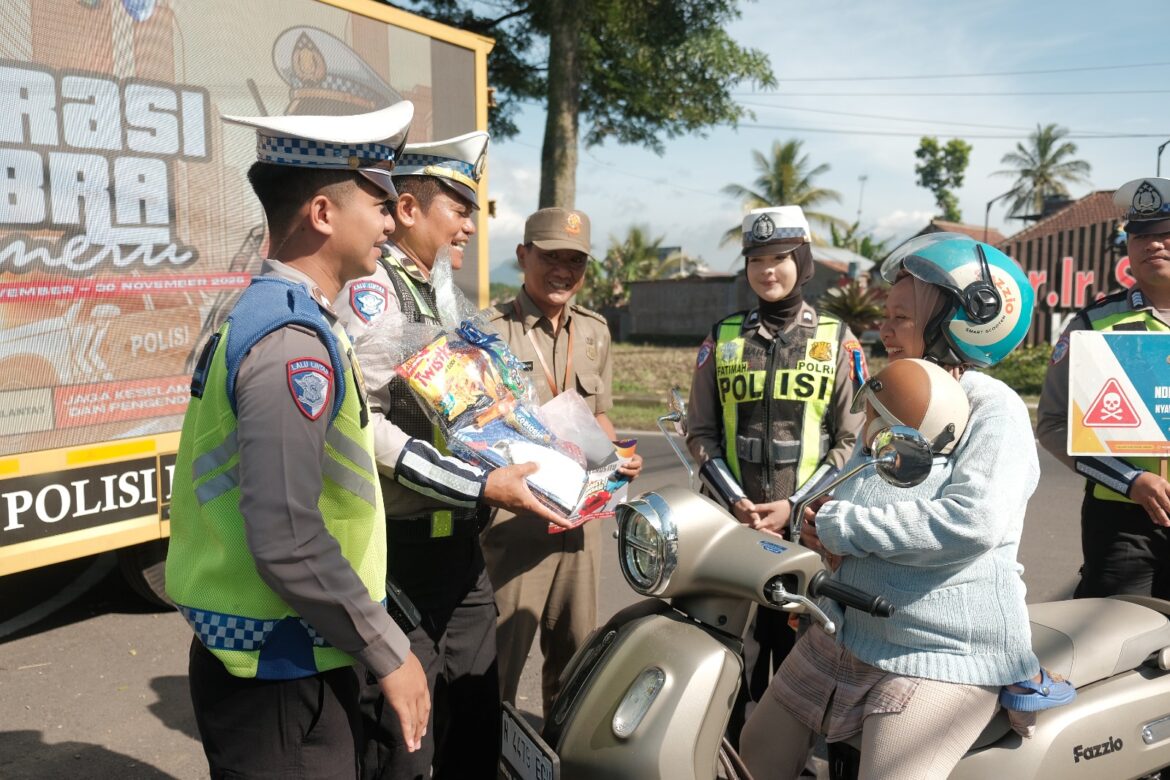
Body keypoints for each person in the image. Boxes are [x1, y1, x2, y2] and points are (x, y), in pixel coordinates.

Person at [740, 233, 1074, 779]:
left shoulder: (996, 409)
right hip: (852, 630)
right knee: (754, 755)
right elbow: (858, 486)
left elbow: (972, 522)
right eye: (885, 316)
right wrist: (820, 521)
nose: (884, 329)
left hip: (944, 650)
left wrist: (842, 527)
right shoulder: (899, 389)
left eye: (901, 317)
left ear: (965, 319)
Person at [164, 102, 430, 779]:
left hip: (287, 653)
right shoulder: (291, 344)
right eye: (378, 200)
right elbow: (285, 534)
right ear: (321, 213)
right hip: (280, 674)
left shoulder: (282, 317)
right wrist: (390, 652)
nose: (390, 220)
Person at [335, 132, 566, 780]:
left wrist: (562, 458)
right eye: (458, 206)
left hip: (461, 563)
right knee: (404, 753)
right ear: (408, 208)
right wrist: (479, 486)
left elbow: (480, 410)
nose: (470, 223)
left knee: (473, 735)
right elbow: (365, 426)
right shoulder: (375, 296)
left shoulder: (444, 293)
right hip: (401, 564)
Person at [685, 205, 866, 745]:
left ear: (802, 261)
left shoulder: (838, 339)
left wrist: (794, 507)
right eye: (756, 259)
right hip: (732, 531)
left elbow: (852, 440)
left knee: (799, 667)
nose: (768, 270)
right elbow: (700, 433)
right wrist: (738, 501)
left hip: (807, 533)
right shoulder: (723, 337)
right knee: (729, 658)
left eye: (780, 258)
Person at [480, 207, 644, 717]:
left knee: (575, 663)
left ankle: (557, 761)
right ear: (523, 255)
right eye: (551, 256)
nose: (563, 270)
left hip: (581, 526)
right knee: (497, 666)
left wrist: (619, 456)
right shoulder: (487, 333)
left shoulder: (594, 331)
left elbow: (598, 416)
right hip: (516, 523)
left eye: (575, 260)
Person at [1037, 176, 1170, 600]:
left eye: (1166, 234)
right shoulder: (1094, 324)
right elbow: (1055, 424)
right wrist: (1129, 479)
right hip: (1122, 520)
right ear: (1127, 247)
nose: (1153, 244)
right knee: (1113, 645)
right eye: (1141, 236)